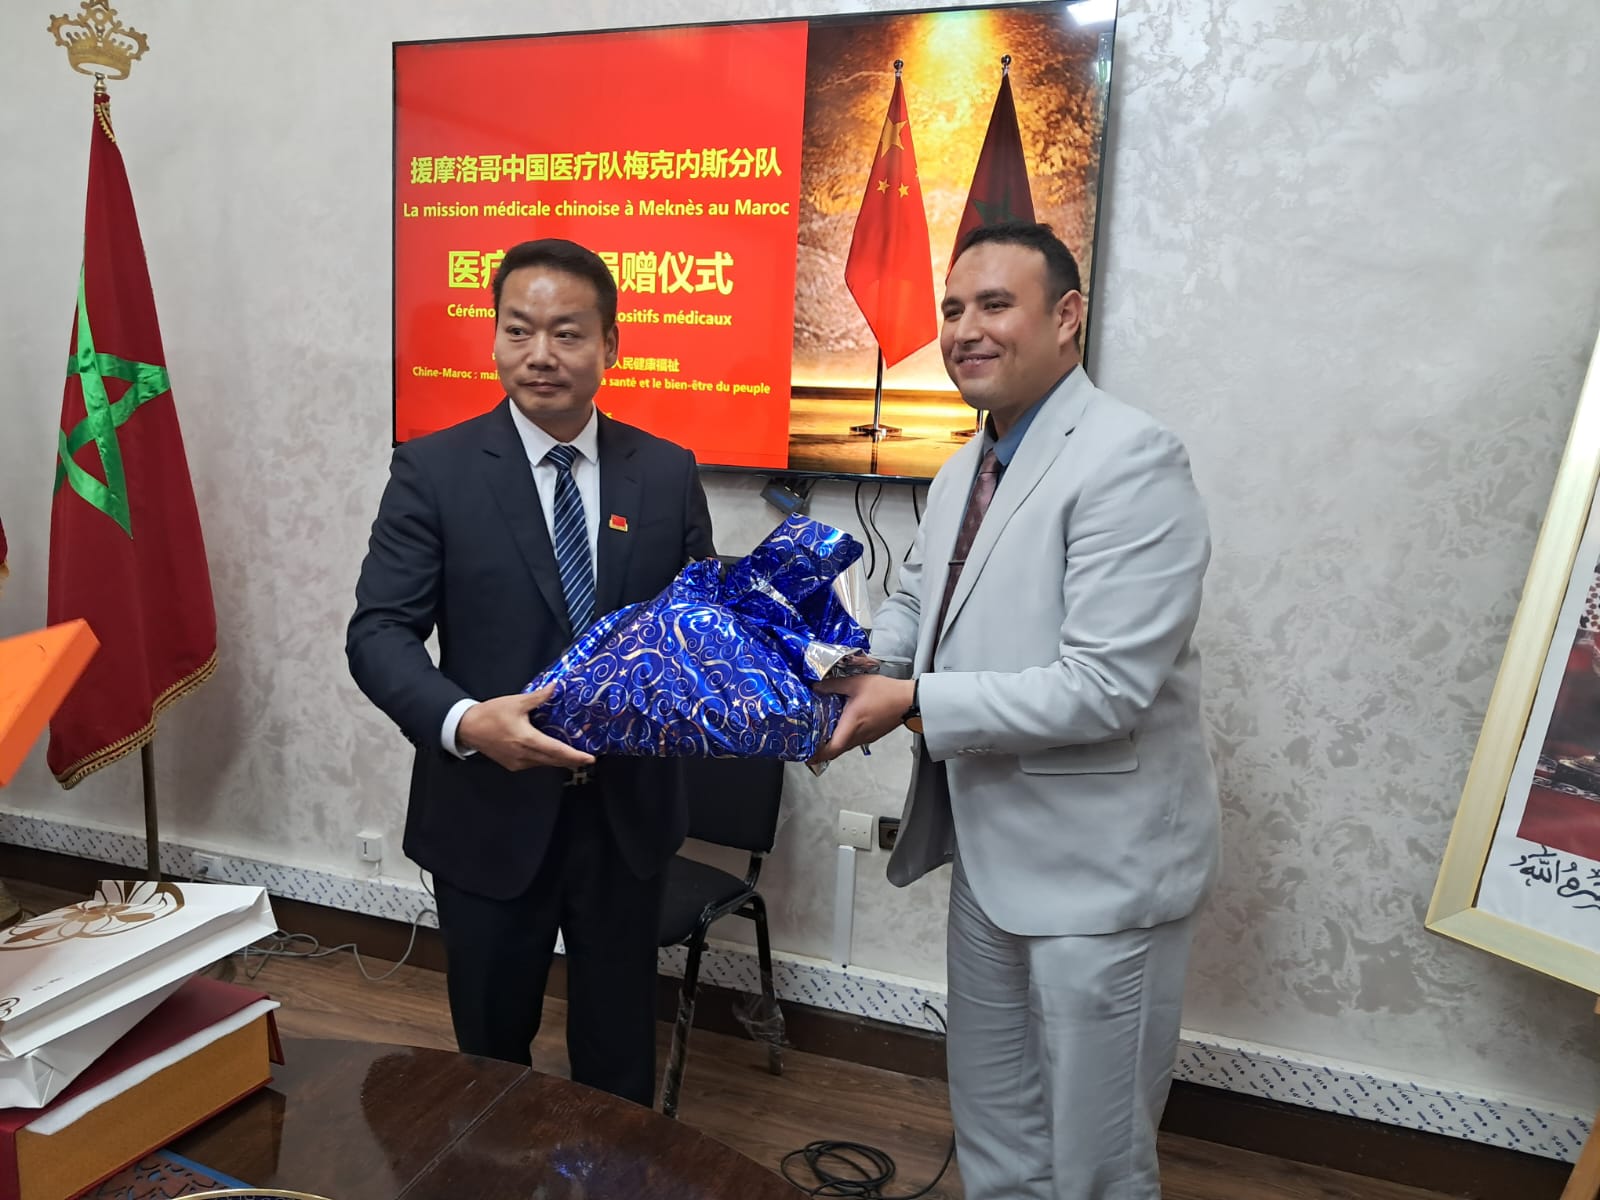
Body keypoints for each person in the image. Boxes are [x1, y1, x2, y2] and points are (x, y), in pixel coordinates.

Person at [816, 222, 1219, 1199]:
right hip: (988, 855)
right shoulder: (967, 465)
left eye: (994, 305)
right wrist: (854, 664)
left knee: (1095, 1159)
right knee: (994, 1128)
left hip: (1099, 873)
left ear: (1066, 317)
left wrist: (910, 700)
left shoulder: (1130, 458)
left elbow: (1104, 686)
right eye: (953, 309)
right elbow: (920, 599)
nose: (965, 330)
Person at [347, 238, 714, 1105]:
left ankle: (618, 1164)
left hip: (625, 813)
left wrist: (792, 663)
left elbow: (700, 632)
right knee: (488, 1056)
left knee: (617, 1057)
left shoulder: (666, 472)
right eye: (519, 330)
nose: (540, 354)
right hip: (487, 808)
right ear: (495, 338)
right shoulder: (433, 471)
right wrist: (466, 722)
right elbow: (379, 634)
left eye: (567, 333)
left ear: (610, 344)